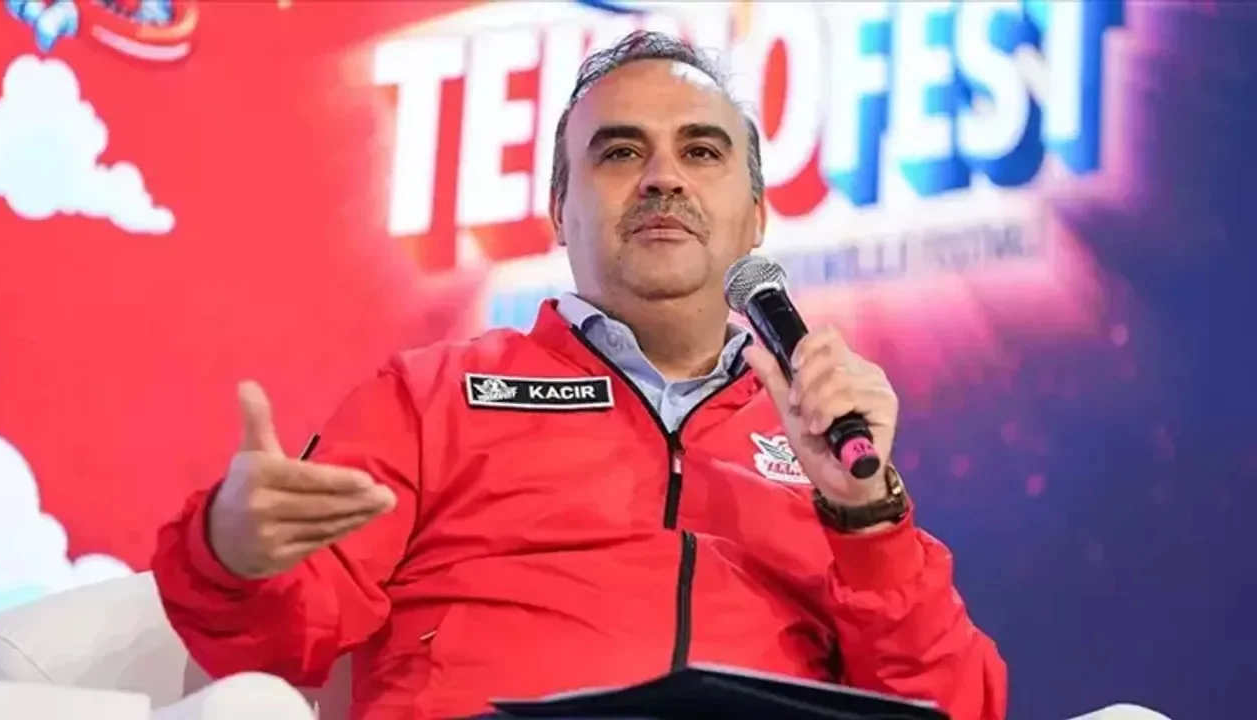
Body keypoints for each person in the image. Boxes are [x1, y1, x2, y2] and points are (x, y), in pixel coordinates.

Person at [151, 30, 1008, 720]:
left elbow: (954, 708)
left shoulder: (827, 441)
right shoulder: (432, 398)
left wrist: (867, 519)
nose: (663, 178)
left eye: (701, 151)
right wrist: (235, 554)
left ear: (755, 219)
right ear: (561, 210)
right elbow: (277, 639)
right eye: (621, 152)